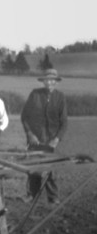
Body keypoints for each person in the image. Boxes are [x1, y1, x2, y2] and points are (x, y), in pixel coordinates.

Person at [21, 69, 68, 204]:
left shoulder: (60, 97)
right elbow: (24, 116)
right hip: (35, 139)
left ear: (56, 82)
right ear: (43, 81)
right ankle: (31, 195)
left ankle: (53, 197)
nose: (50, 82)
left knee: (51, 169)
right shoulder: (35, 94)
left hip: (52, 140)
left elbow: (64, 122)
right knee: (33, 167)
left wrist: (57, 139)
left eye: (53, 80)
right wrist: (30, 134)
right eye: (47, 80)